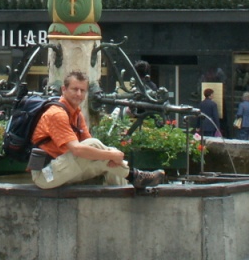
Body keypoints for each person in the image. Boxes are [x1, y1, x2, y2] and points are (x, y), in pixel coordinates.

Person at [30, 70, 165, 192]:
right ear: (63, 89)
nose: (79, 94)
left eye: (82, 90)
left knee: (107, 164)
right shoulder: (56, 114)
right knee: (97, 146)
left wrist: (110, 155)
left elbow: (87, 148)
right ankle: (135, 176)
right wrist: (112, 155)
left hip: (64, 168)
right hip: (45, 174)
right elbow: (78, 150)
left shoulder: (77, 114)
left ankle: (122, 205)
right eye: (74, 89)